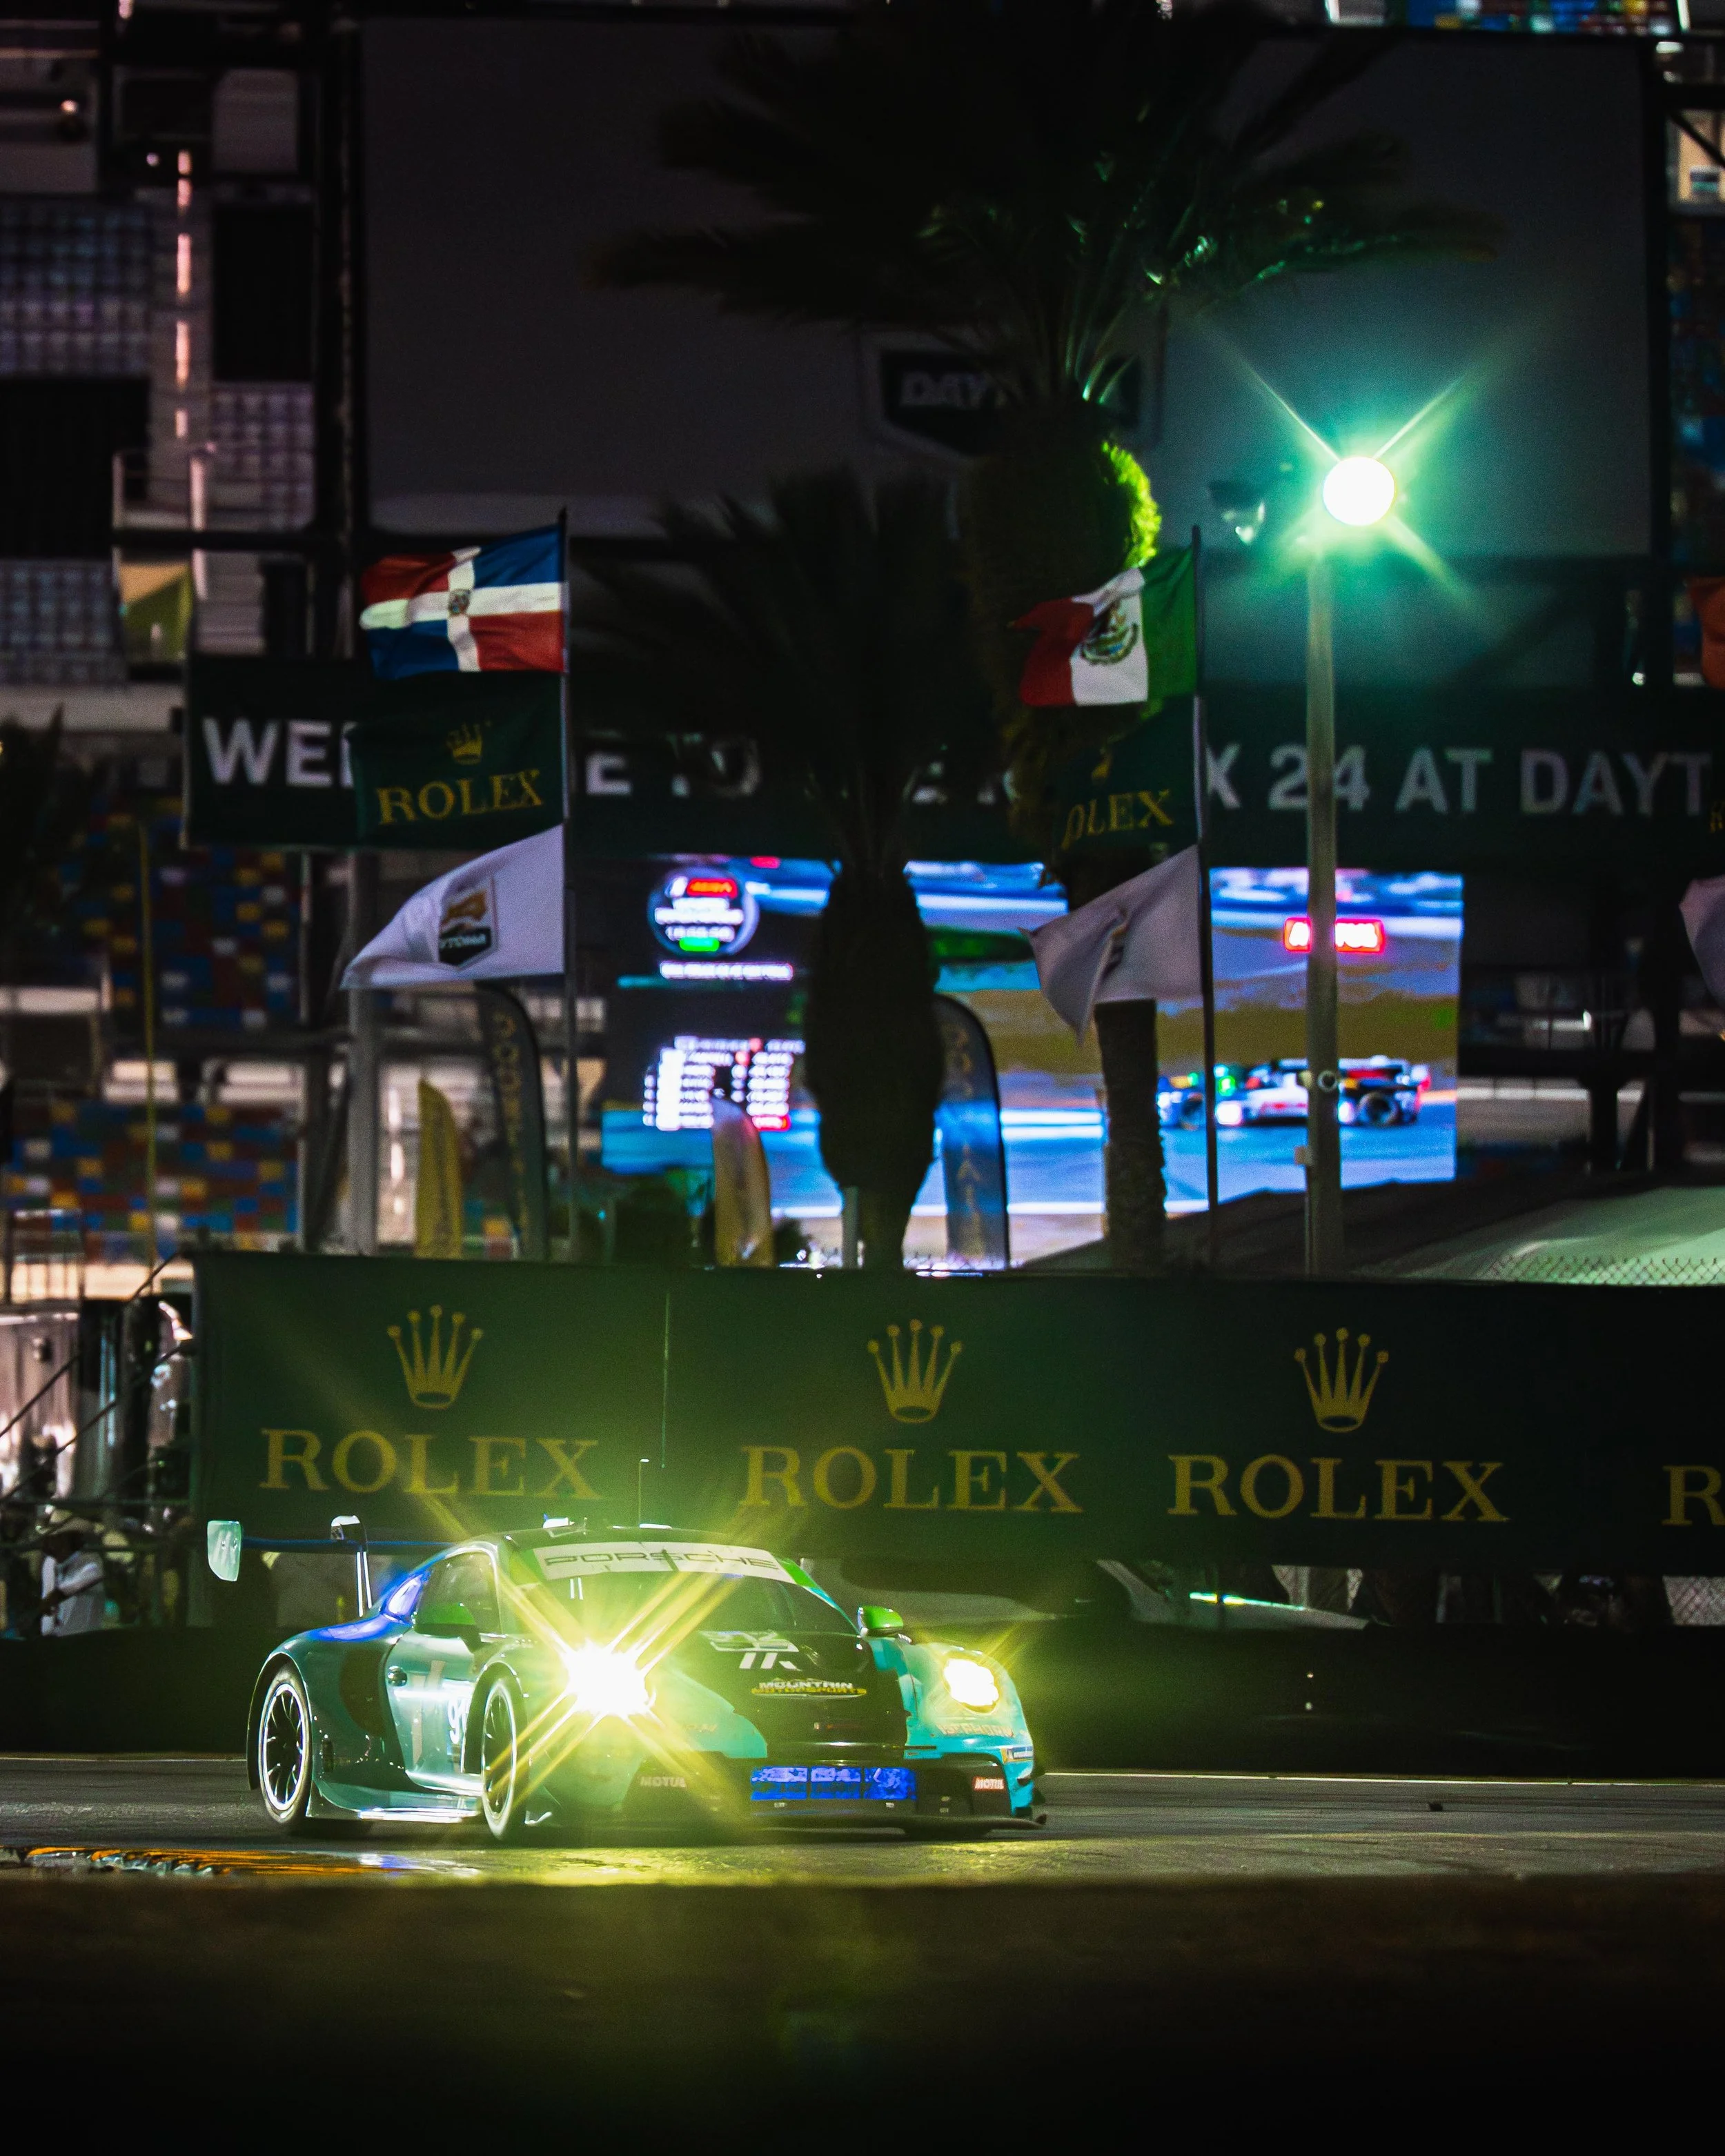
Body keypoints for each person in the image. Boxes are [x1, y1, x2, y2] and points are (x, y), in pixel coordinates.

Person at [39, 1527, 105, 1636]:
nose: (49, 1544)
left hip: (83, 1640)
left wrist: (51, 1600)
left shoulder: (92, 1562)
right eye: (48, 1538)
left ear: (69, 1540)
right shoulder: (49, 1563)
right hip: (51, 1639)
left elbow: (70, 1588)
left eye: (56, 1538)